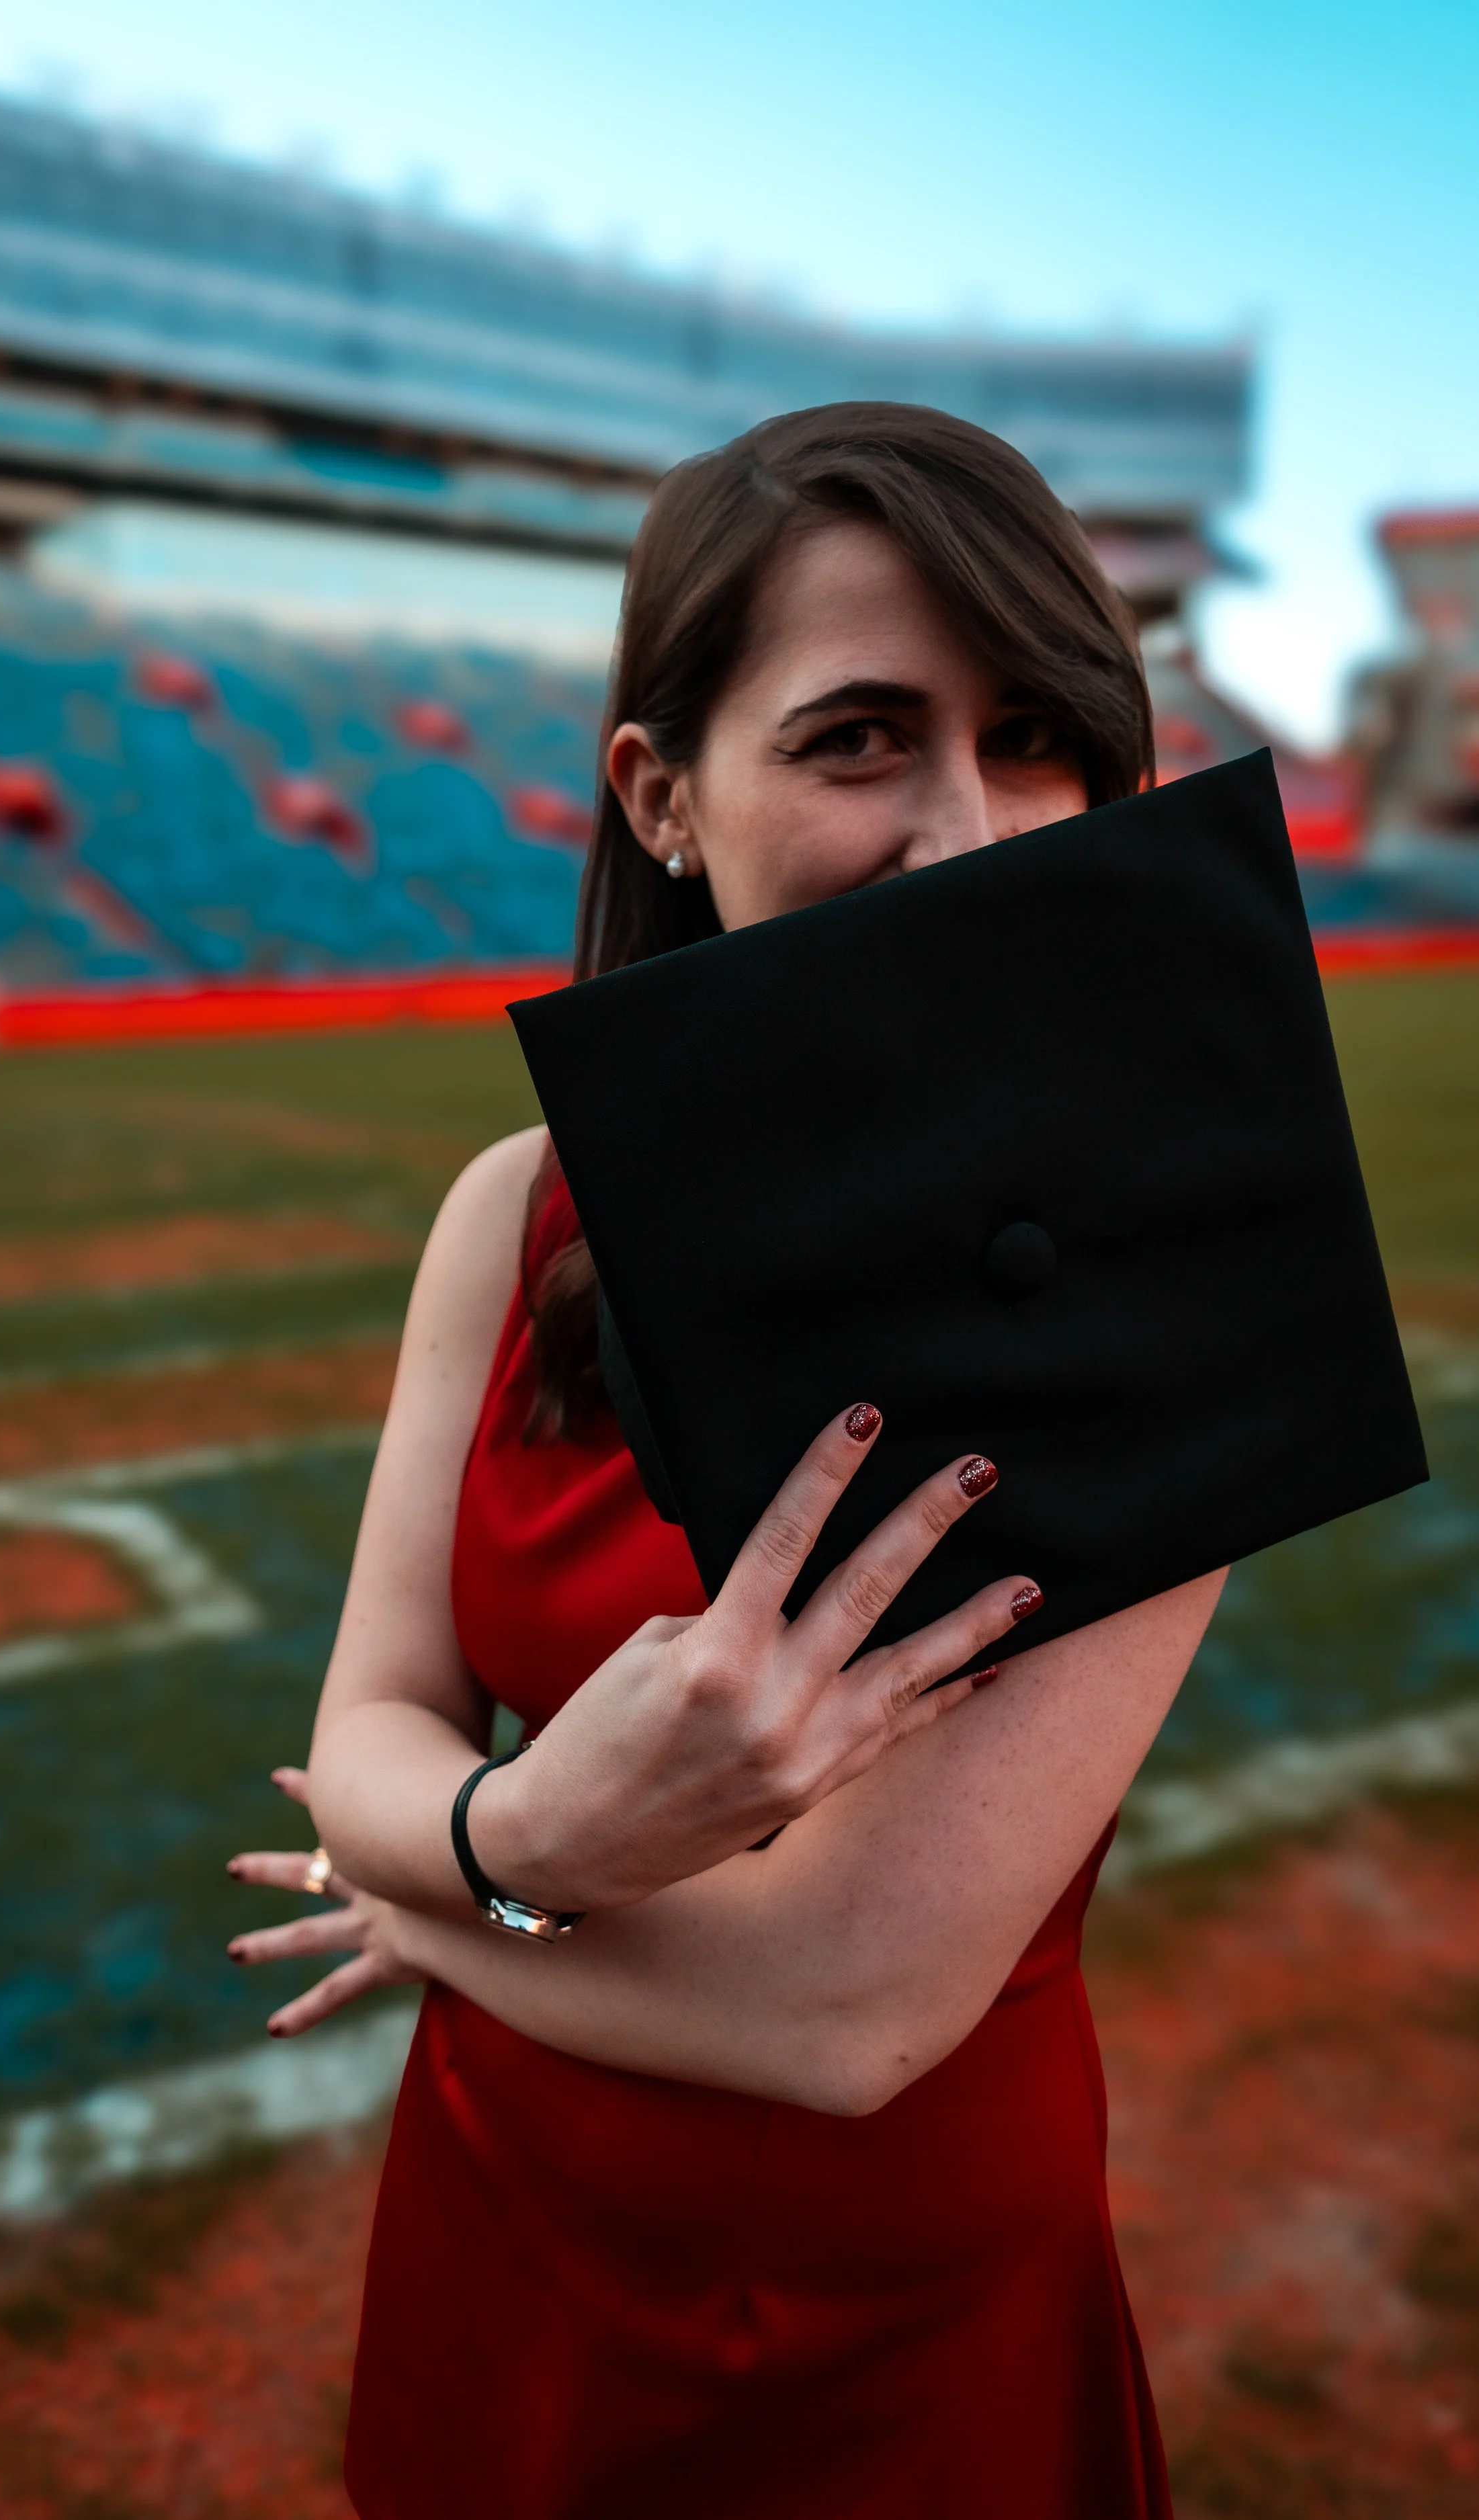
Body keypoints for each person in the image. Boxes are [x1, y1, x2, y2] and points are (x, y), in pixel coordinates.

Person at [226, 402, 1226, 2520]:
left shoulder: (1185, 1272)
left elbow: (844, 2006)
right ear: (662, 796)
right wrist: (513, 1835)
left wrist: (458, 1884)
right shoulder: (516, 1208)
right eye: (859, 736)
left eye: (1038, 732)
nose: (970, 831)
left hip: (896, 2332)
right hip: (500, 2227)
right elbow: (366, 1724)